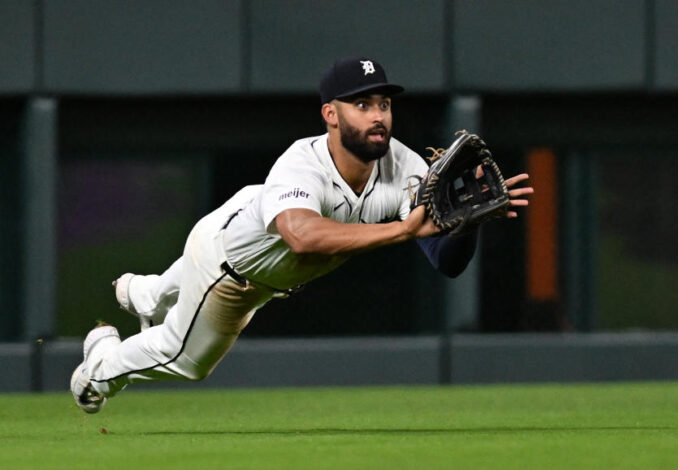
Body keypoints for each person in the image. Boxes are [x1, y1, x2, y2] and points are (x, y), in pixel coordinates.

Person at [70, 56, 534, 413]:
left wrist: (465, 225)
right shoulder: (302, 160)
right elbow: (302, 237)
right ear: (330, 114)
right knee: (185, 359)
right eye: (363, 104)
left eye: (384, 104)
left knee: (179, 289)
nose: (378, 116)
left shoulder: (405, 166)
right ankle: (99, 369)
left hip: (244, 221)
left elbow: (444, 260)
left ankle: (146, 293)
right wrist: (400, 230)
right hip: (229, 268)